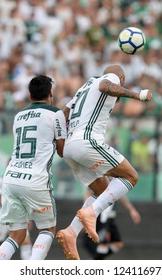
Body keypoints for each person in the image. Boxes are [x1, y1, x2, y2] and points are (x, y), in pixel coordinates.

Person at [56, 64, 152, 260]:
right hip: (87, 141)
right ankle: (91, 213)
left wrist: (60, 146)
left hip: (69, 147)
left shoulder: (84, 87)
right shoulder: (110, 79)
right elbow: (106, 87)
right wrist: (137, 95)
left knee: (102, 191)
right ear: (121, 79)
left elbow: (62, 115)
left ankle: (71, 232)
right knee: (131, 176)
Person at [0, 75, 67, 260]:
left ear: (30, 95)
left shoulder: (19, 115)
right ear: (51, 92)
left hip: (11, 178)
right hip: (35, 180)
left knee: (16, 235)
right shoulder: (55, 113)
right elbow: (62, 151)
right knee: (47, 229)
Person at [0, 170, 33, 260]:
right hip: (2, 215)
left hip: (19, 216)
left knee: (25, 241)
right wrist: (13, 205)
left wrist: (28, 218)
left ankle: (29, 269)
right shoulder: (1, 179)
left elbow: (25, 200)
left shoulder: (22, 180)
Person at [82, 189, 141, 260]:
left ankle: (96, 259)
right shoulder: (99, 178)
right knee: (103, 245)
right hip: (102, 217)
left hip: (110, 218)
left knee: (118, 244)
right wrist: (88, 211)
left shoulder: (117, 180)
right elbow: (88, 193)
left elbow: (121, 194)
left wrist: (132, 210)